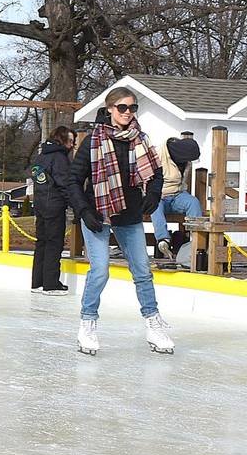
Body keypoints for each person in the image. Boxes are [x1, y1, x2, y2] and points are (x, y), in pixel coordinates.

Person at [70, 87, 174, 355]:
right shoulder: (93, 141)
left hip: (129, 214)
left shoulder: (141, 140)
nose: (128, 113)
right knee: (100, 270)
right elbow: (71, 180)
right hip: (97, 214)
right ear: (110, 110)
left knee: (142, 271)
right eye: (123, 108)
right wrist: (84, 210)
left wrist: (152, 194)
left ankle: (153, 322)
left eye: (133, 108)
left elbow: (157, 173)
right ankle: (88, 322)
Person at [29, 126, 83, 295]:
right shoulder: (59, 158)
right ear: (62, 140)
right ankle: (51, 284)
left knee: (42, 243)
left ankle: (37, 282)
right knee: (54, 243)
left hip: (40, 205)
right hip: (54, 205)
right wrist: (76, 206)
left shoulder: (41, 156)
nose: (72, 146)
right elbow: (64, 184)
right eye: (71, 142)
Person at [151, 131, 203, 260]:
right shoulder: (157, 155)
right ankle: (163, 240)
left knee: (193, 202)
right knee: (154, 205)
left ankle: (198, 238)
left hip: (177, 195)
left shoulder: (185, 159)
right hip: (159, 195)